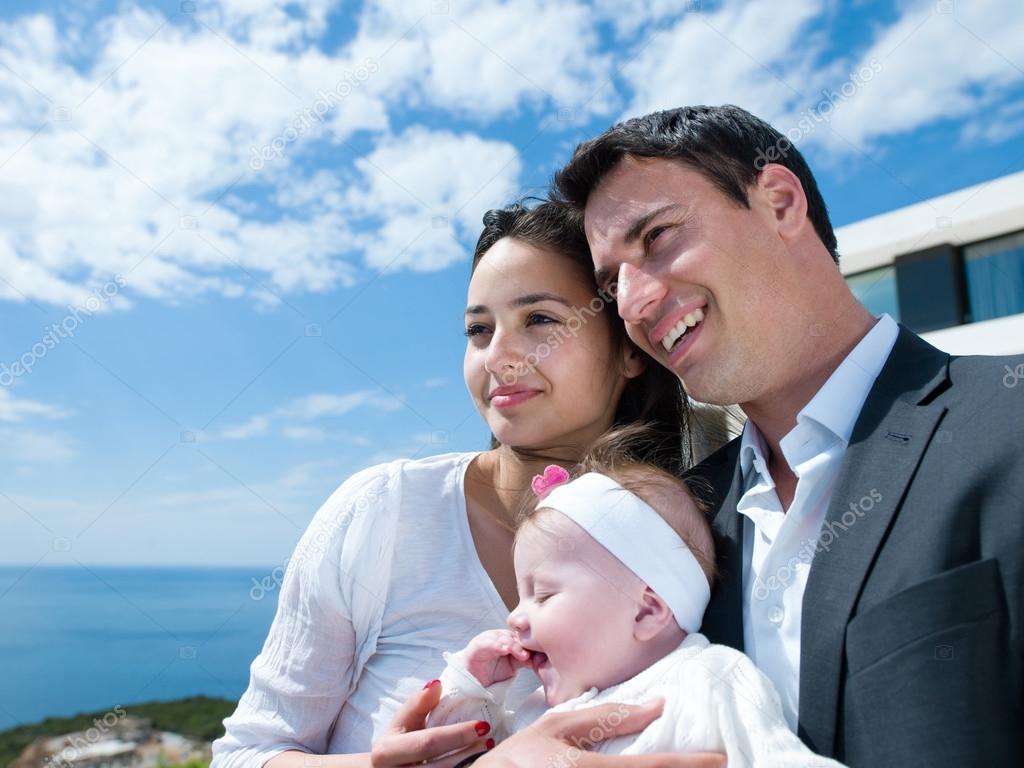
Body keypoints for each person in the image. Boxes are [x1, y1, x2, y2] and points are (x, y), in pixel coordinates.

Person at [476, 105, 1023, 766]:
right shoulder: (670, 526)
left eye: (657, 238)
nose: (634, 301)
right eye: (612, 280)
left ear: (781, 203)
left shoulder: (1005, 424)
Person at [211, 200, 723, 768]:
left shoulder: (692, 528)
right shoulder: (385, 511)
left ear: (629, 347)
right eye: (479, 330)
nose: (497, 356)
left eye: (541, 320)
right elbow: (246, 754)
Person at [426, 428, 846, 766]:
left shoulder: (706, 679)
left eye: (544, 594)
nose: (515, 617)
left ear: (646, 610)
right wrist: (471, 692)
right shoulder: (538, 713)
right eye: (520, 597)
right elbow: (452, 756)